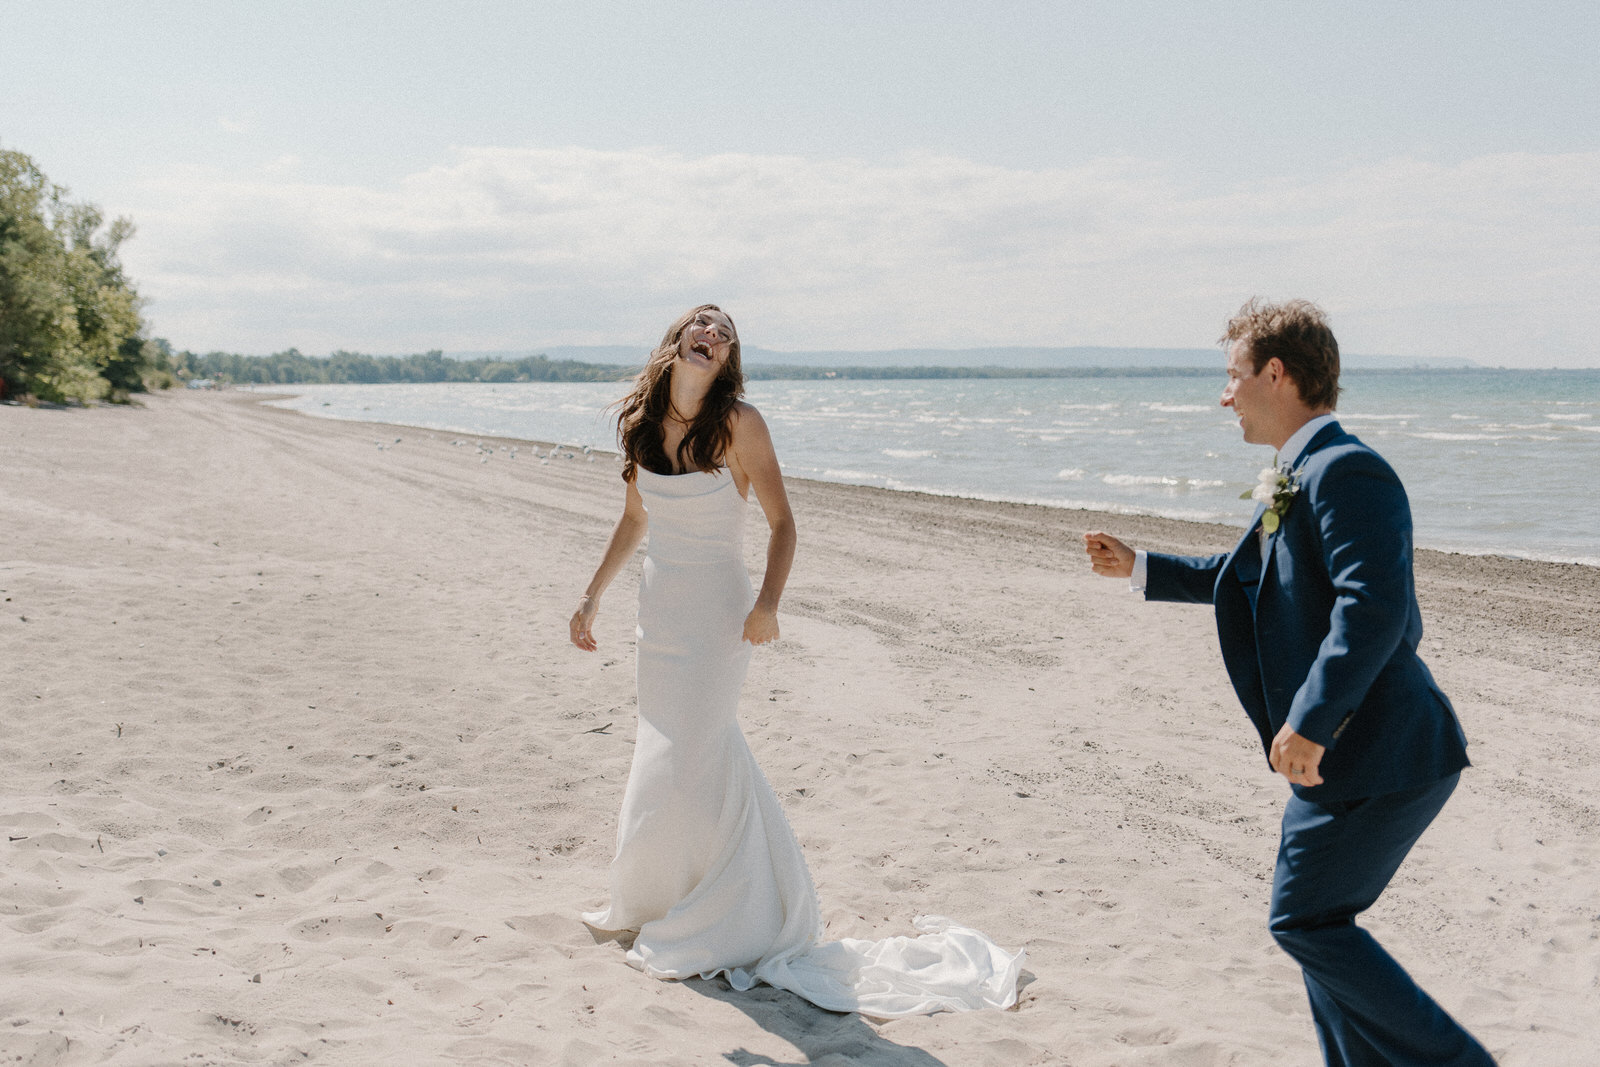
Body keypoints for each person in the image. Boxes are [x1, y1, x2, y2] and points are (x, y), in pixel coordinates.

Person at [571, 304, 1022, 1016]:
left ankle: (736, 914)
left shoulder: (740, 424)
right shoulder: (642, 424)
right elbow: (634, 519)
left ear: (726, 360)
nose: (712, 336)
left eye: (724, 335)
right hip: (657, 619)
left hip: (719, 616)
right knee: (665, 755)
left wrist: (768, 604)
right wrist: (591, 596)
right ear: (677, 339)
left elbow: (784, 523)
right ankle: (660, 894)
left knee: (697, 748)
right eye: (703, 324)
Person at [1083, 299, 1494, 1066]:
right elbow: (1244, 578)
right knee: (1314, 927)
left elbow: (1372, 607)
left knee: (1303, 921)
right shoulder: (1296, 473)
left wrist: (1309, 721)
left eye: (1232, 375)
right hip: (1343, 757)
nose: (1224, 394)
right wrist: (1138, 566)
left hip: (1386, 752)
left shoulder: (1348, 469)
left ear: (1275, 372)